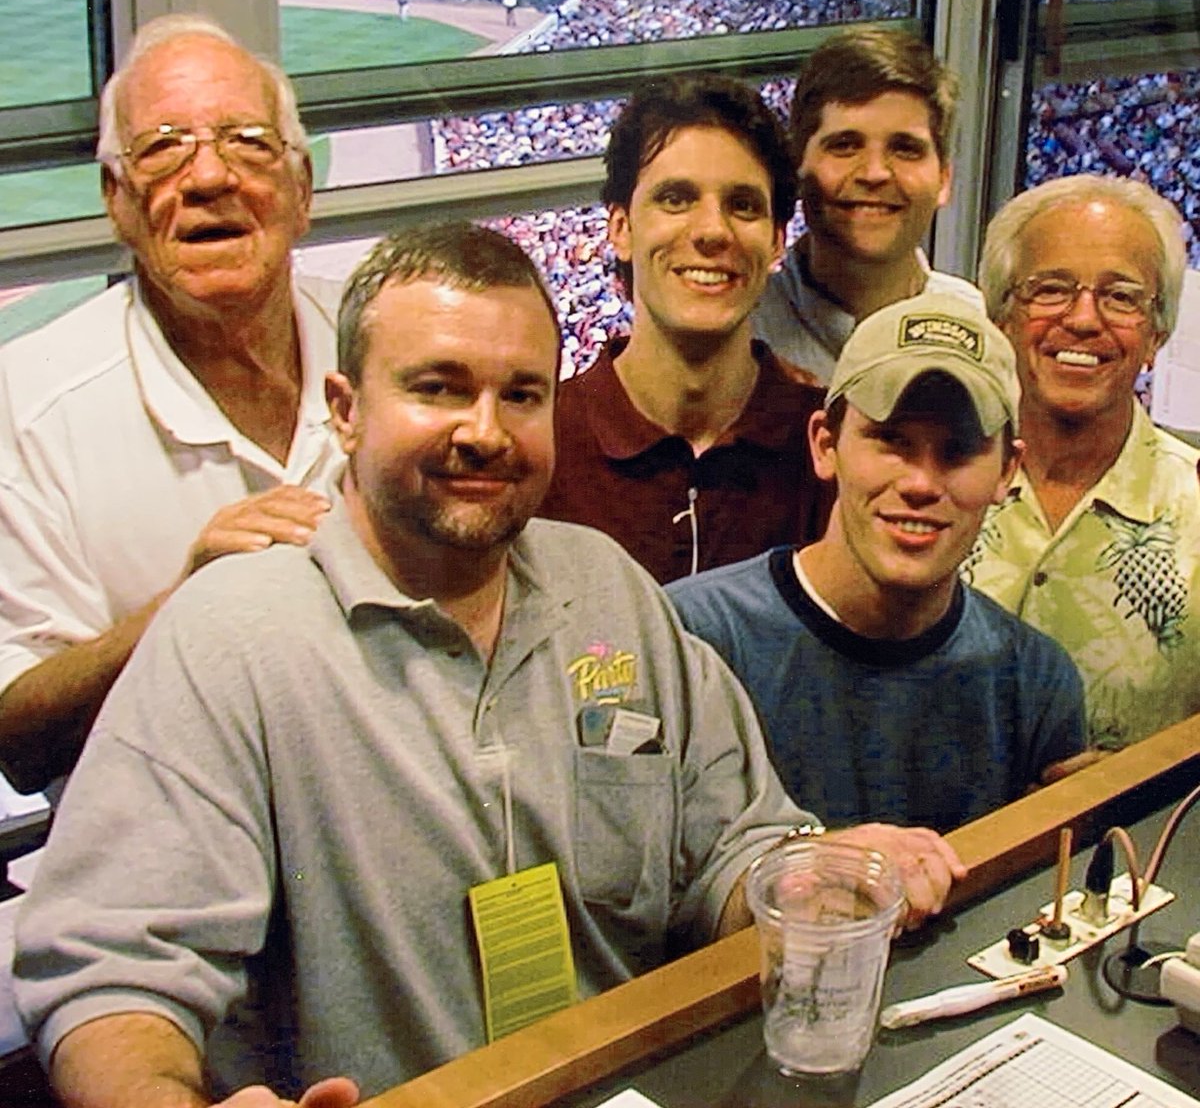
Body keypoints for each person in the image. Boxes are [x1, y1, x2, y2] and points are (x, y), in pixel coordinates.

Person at [16, 223, 964, 1108]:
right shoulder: (230, 639)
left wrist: (808, 880)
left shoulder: (605, 588)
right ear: (345, 412)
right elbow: (110, 974)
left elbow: (729, 849)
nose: (485, 431)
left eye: (521, 394)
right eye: (437, 387)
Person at [0, 14, 340, 794]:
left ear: (302, 189)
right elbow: (21, 745)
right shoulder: (29, 401)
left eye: (248, 141)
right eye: (162, 150)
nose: (210, 178)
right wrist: (187, 616)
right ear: (117, 201)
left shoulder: (384, 339)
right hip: (162, 869)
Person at [670, 291, 1087, 832]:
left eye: (959, 450)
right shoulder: (694, 641)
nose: (919, 483)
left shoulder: (1034, 682)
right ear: (825, 444)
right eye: (891, 440)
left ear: (1008, 471)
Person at [539, 73, 829, 583]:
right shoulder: (543, 443)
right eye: (676, 199)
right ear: (621, 229)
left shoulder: (830, 448)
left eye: (742, 205)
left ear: (778, 241)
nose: (713, 231)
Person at [966, 174, 1200, 750]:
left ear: (1156, 336)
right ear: (1002, 317)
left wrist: (1127, 783)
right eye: (1050, 289)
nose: (1084, 318)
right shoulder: (927, 486)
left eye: (1121, 296)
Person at [755, 26, 984, 382]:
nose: (875, 173)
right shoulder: (740, 332)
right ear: (797, 164)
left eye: (905, 148)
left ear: (944, 179)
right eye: (845, 145)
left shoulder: (976, 328)